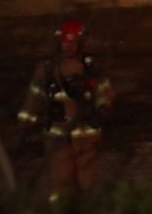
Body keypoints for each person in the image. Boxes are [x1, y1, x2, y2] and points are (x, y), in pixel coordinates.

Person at [17, 20, 113, 201]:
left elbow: (105, 91)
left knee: (86, 183)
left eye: (73, 42)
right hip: (57, 136)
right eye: (65, 42)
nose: (68, 46)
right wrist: (25, 125)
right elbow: (33, 97)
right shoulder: (46, 70)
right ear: (59, 43)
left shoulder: (91, 67)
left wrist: (102, 108)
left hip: (86, 135)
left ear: (80, 43)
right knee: (60, 184)